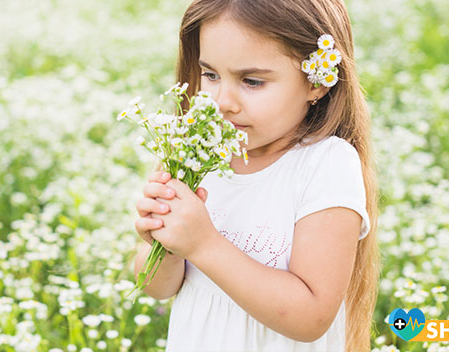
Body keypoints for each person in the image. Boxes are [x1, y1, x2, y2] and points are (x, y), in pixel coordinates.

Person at [133, 0, 380, 351]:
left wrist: (204, 245)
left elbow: (311, 318)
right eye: (211, 75)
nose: (222, 101)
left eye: (251, 81)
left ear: (317, 84)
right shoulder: (194, 154)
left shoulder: (325, 165)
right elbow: (157, 287)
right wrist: (164, 245)